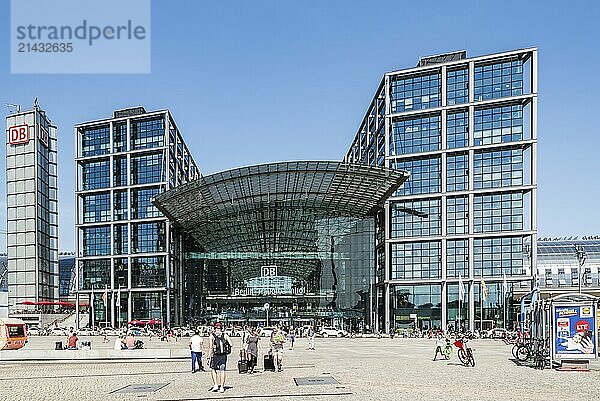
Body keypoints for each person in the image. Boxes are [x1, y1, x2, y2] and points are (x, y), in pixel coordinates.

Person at [208, 322, 232, 393]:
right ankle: (222, 387)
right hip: (223, 355)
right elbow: (231, 344)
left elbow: (210, 347)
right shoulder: (225, 335)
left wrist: (208, 356)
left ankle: (215, 384)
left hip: (215, 355)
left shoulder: (212, 336)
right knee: (222, 370)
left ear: (214, 328)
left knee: (213, 369)